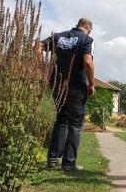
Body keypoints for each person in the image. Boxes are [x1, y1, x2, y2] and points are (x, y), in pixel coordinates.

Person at [39, 17, 95, 171]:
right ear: (88, 28)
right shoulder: (87, 39)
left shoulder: (58, 36)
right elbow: (88, 62)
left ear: (77, 25)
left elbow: (38, 46)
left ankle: (52, 159)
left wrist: (42, 68)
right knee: (75, 125)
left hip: (58, 86)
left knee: (61, 120)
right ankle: (68, 164)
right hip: (77, 87)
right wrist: (91, 84)